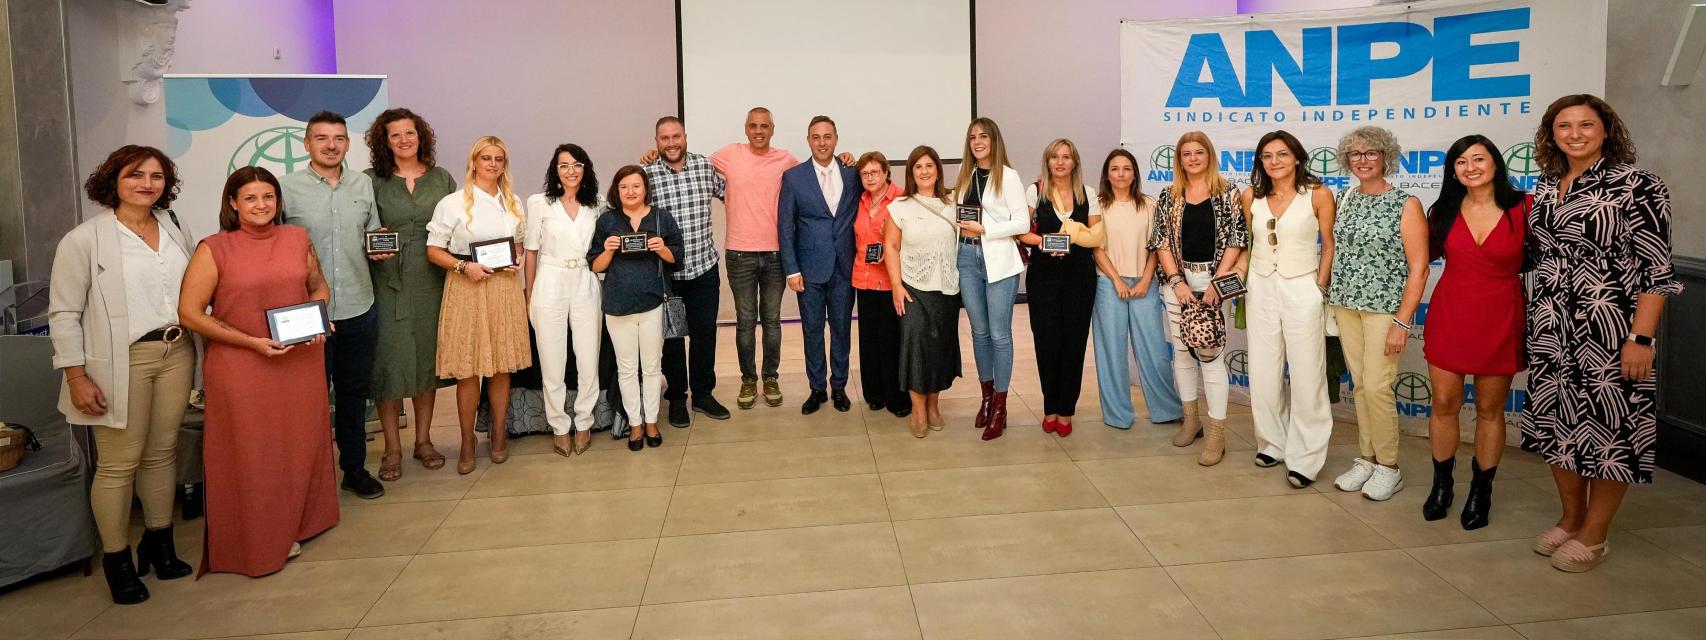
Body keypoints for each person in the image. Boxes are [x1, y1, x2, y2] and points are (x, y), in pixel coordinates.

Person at [1524, 94, 1679, 572]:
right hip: (1551, 324)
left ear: (1606, 130)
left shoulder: (1638, 184)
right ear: (1551, 134)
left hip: (1611, 326)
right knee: (1557, 423)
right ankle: (1571, 518)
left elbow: (1657, 270)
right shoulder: (1546, 185)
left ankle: (1595, 534)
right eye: (1564, 126)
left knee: (1612, 427)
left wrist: (1642, 338)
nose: (1575, 134)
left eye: (1586, 125)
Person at [50, 145, 196, 603]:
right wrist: (76, 376)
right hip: (121, 360)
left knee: (162, 453)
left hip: (177, 350)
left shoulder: (173, 225)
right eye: (136, 175)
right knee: (118, 464)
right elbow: (63, 313)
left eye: (156, 176)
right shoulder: (84, 239)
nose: (147, 184)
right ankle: (118, 559)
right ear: (113, 179)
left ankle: (159, 542)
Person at [177, 166, 339, 577]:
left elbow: (318, 287)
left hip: (299, 361)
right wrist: (251, 342)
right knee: (254, 453)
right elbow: (190, 313)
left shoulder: (297, 238)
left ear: (278, 201)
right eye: (250, 198)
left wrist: (318, 317)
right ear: (233, 203)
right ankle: (259, 538)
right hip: (242, 365)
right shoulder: (214, 249)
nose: (261, 205)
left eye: (268, 196)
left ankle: (301, 522)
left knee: (300, 443)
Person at [1421, 134, 1529, 527]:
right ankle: (1442, 486)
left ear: (1495, 163)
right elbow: (1417, 259)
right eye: (1461, 161)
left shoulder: (1525, 207)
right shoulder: (1443, 211)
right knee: (1444, 404)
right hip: (1450, 314)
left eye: (1478, 159)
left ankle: (1481, 491)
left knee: (1489, 409)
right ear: (1453, 171)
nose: (1471, 167)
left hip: (1500, 316)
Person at [279, 111, 387, 499]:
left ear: (347, 144)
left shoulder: (362, 184)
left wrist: (378, 247)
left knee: (353, 395)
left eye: (339, 138)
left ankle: (354, 469)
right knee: (309, 399)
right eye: (322, 138)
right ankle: (310, 476)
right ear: (307, 144)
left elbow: (371, 234)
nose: (331, 145)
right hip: (309, 314)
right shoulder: (284, 188)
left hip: (359, 304)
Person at [1325, 126, 1429, 502]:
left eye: (1371, 153)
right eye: (1355, 154)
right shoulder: (1346, 197)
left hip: (1385, 310)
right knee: (1360, 385)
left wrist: (1402, 321)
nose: (1363, 160)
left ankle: (1389, 467)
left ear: (1386, 157)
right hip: (1346, 305)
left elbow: (1419, 268)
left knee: (1378, 386)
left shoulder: (1406, 203)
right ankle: (1367, 459)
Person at [425, 136, 531, 474]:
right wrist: (462, 266)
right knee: (468, 369)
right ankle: (467, 440)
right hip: (466, 286)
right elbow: (433, 249)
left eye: (499, 159)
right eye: (486, 158)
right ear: (474, 161)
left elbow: (518, 246)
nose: (493, 164)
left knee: (501, 366)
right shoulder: (452, 202)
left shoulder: (513, 201)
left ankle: (498, 434)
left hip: (503, 288)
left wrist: (517, 259)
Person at [363, 108, 456, 480]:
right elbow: (360, 228)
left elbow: (458, 226)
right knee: (389, 362)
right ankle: (391, 448)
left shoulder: (441, 178)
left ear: (421, 137)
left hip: (432, 280)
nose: (404, 140)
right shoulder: (371, 181)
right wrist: (371, 245)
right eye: (395, 135)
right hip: (387, 281)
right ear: (385, 142)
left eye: (410, 133)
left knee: (424, 361)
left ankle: (423, 441)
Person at [1241, 130, 1337, 488]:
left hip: (1302, 287)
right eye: (1267, 156)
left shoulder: (1319, 194)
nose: (1275, 161)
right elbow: (1247, 244)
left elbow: (1329, 244)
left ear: (1297, 157)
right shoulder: (1251, 195)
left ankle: (1306, 458)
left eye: (1282, 154)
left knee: (1308, 374)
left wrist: (1319, 287)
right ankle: (1272, 443)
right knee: (1263, 371)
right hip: (1261, 287)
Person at [1151, 131, 1245, 466]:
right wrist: (1177, 281)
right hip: (1178, 282)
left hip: (1215, 281)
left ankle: (1217, 432)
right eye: (1186, 153)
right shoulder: (1169, 195)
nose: (1192, 158)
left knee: (1210, 354)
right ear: (1179, 159)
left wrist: (1218, 281)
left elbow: (1236, 238)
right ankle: (1192, 420)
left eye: (1199, 152)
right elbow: (1161, 241)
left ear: (1209, 155)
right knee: (1181, 352)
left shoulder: (1228, 192)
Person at [642, 116, 730, 427]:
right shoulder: (646, 175)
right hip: (666, 275)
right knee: (673, 338)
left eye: (676, 136)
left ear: (686, 137)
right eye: (664, 138)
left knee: (705, 334)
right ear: (656, 142)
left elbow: (732, 193)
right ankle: (677, 398)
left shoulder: (705, 166)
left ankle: (703, 395)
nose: (671, 143)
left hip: (704, 269)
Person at [589, 166, 684, 451]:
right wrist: (608, 250)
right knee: (627, 369)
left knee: (653, 367)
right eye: (624, 187)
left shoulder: (661, 218)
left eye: (636, 186)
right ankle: (635, 424)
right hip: (617, 306)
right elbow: (595, 266)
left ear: (645, 189)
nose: (630, 192)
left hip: (652, 302)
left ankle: (652, 421)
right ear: (616, 191)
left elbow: (677, 258)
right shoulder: (607, 221)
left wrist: (661, 248)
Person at [1091, 148, 1182, 433]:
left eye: (1126, 168)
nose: (1121, 174)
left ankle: (1167, 410)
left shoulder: (1149, 204)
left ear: (1135, 174)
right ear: (1107, 174)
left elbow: (1157, 246)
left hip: (1145, 283)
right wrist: (1116, 279)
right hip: (1108, 283)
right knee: (1111, 350)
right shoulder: (1096, 205)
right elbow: (1096, 247)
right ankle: (1117, 414)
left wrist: (1145, 279)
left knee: (1154, 348)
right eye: (1115, 168)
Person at [712, 108, 797, 410]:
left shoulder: (786, 160)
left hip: (776, 255)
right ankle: (748, 380)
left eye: (764, 126)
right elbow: (689, 163)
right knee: (745, 321)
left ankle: (770, 377)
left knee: (772, 320)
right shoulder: (729, 155)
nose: (758, 131)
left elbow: (813, 176)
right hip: (739, 254)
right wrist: (652, 156)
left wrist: (846, 160)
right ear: (745, 128)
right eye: (753, 126)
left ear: (772, 129)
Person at [1019, 138, 1104, 436]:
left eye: (1066, 157)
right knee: (1046, 342)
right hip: (1043, 277)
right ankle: (1050, 408)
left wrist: (1074, 237)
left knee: (1074, 343)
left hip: (1079, 277)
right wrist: (1045, 242)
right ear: (1047, 161)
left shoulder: (1087, 193)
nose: (1060, 162)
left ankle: (1066, 410)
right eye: (1055, 157)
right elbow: (1021, 231)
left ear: (1075, 162)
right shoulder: (1035, 191)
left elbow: (1096, 236)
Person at [779, 115, 861, 414]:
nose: (822, 142)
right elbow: (785, 227)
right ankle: (817, 389)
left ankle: (839, 387)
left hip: (845, 267)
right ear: (808, 140)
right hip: (809, 269)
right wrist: (792, 269)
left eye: (827, 136)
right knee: (812, 331)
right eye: (816, 137)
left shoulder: (853, 173)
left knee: (841, 329)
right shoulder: (794, 177)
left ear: (836, 138)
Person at [525, 144, 604, 457]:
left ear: (585, 169)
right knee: (552, 359)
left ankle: (584, 421)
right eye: (564, 165)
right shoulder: (540, 203)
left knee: (588, 357)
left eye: (577, 165)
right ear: (555, 170)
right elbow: (531, 251)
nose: (571, 171)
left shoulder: (597, 204)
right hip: (550, 280)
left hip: (585, 279)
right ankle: (559, 425)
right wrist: (529, 294)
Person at [953, 118, 1028, 441]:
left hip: (998, 259)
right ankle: (985, 398)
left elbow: (1021, 222)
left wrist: (986, 230)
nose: (977, 142)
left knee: (999, 335)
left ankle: (1000, 406)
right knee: (979, 333)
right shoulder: (965, 173)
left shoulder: (1008, 176)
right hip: (966, 257)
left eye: (983, 136)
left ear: (994, 140)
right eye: (972, 137)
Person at [885, 146, 963, 437]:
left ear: (938, 171)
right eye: (918, 167)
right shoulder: (900, 206)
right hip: (912, 289)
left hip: (947, 290)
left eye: (929, 165)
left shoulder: (953, 203)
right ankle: (918, 410)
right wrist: (896, 285)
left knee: (939, 349)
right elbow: (891, 246)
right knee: (915, 346)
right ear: (911, 173)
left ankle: (933, 405)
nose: (924, 171)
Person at [852, 151, 908, 417]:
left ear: (886, 172)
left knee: (891, 341)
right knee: (869, 340)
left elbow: (914, 237)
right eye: (865, 173)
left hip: (890, 281)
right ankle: (873, 394)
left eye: (875, 172)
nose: (870, 177)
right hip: (863, 279)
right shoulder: (861, 200)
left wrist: (893, 250)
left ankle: (896, 397)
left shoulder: (902, 198)